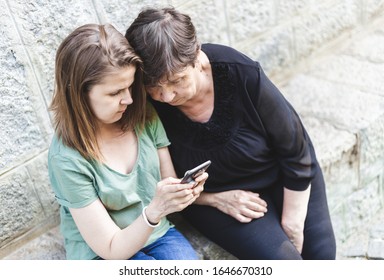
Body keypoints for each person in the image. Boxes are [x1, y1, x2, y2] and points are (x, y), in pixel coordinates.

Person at [125, 7, 337, 260]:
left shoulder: (240, 71)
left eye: (177, 81)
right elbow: (164, 182)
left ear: (197, 58)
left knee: (322, 257)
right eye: (154, 87)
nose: (167, 96)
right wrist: (215, 199)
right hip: (214, 198)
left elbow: (296, 150)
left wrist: (292, 224)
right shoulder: (145, 101)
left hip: (285, 176)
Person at [48, 23, 207, 260]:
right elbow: (112, 249)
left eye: (130, 86)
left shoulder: (144, 116)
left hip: (155, 232)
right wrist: (154, 211)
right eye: (114, 93)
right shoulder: (67, 158)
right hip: (103, 252)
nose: (129, 100)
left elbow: (168, 180)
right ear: (79, 94)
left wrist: (182, 192)